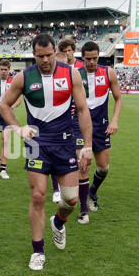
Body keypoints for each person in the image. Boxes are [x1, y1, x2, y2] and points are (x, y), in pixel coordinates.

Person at [0, 33, 93, 271]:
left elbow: (82, 111)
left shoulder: (71, 74)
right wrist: (18, 128)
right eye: (40, 56)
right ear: (34, 55)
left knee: (71, 199)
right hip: (37, 144)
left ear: (55, 52)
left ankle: (58, 222)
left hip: (64, 144)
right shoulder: (23, 77)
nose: (45, 60)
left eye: (49, 55)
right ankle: (38, 251)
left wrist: (88, 146)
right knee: (38, 196)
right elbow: (4, 105)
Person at [72, 41, 122, 224]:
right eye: (88, 58)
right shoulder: (76, 74)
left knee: (103, 167)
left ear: (99, 56)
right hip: (80, 126)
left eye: (95, 58)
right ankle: (84, 210)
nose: (92, 62)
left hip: (102, 127)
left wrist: (114, 120)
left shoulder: (109, 73)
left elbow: (118, 99)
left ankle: (93, 190)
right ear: (82, 57)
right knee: (83, 166)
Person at [56, 39, 86, 204]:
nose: (67, 53)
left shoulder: (81, 68)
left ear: (73, 51)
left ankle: (75, 193)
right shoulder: (58, 67)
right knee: (59, 152)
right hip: (61, 117)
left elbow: (86, 90)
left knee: (78, 155)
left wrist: (78, 104)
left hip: (78, 117)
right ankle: (61, 188)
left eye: (69, 50)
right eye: (64, 51)